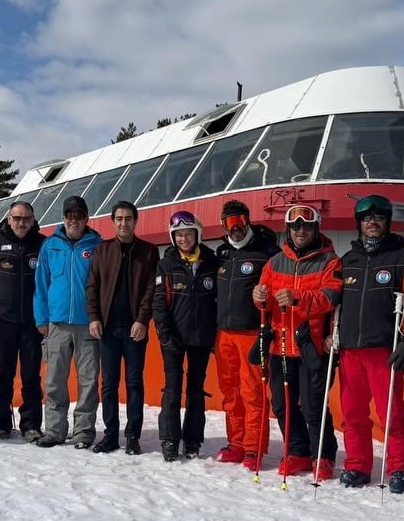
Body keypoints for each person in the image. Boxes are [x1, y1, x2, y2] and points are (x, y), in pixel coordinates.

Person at [336, 195, 404, 493]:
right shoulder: (347, 261)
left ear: (387, 222)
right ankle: (358, 465)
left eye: (378, 218)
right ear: (359, 223)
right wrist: (330, 335)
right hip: (350, 348)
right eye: (366, 218)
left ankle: (399, 467)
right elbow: (335, 305)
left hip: (384, 349)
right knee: (352, 412)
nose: (372, 222)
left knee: (392, 413)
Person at [252, 204, 342, 481]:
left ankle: (322, 455)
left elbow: (331, 296)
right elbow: (263, 301)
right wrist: (258, 297)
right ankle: (297, 450)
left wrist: (298, 297)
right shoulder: (275, 261)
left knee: (313, 406)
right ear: (288, 229)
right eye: (295, 226)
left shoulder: (330, 261)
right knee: (282, 404)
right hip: (279, 344)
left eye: (306, 225)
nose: (300, 230)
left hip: (311, 345)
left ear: (316, 228)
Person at [85, 200, 159, 454]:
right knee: (108, 384)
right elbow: (92, 285)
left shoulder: (148, 251)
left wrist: (142, 320)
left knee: (134, 383)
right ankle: (110, 435)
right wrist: (94, 317)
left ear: (135, 221)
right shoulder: (102, 250)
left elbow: (152, 288)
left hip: (134, 329)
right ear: (113, 221)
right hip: (107, 329)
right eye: (119, 219)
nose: (124, 223)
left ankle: (132, 435)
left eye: (129, 219)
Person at [213, 199, 280, 470]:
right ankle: (237, 443)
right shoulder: (222, 253)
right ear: (223, 225)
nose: (236, 227)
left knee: (253, 392)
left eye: (240, 221)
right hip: (224, 335)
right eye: (230, 222)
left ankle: (254, 447)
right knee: (230, 393)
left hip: (252, 333)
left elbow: (275, 294)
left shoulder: (266, 252)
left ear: (248, 220)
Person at [33, 195, 102, 448]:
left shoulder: (97, 244)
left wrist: (99, 317)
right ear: (63, 218)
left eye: (79, 216)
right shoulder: (50, 245)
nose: (74, 220)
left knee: (88, 379)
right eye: (69, 216)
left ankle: (84, 431)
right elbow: (41, 284)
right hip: (57, 323)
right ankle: (54, 430)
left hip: (87, 324)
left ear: (86, 219)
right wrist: (42, 318)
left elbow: (103, 285)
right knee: (54, 380)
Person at [152, 211, 219, 462]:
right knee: (172, 388)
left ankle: (192, 439)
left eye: (188, 234)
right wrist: (164, 334)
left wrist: (213, 334)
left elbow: (218, 300)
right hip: (174, 338)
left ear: (197, 235)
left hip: (201, 338)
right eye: (178, 235)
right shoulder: (166, 264)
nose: (183, 239)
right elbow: (159, 302)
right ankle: (169, 439)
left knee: (196, 390)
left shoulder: (211, 261)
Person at [0, 200, 46, 441]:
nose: (21, 223)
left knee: (31, 376)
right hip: (4, 322)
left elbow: (48, 283)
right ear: (8, 218)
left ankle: (30, 425)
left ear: (33, 220)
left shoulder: (42, 244)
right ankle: (0, 423)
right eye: (17, 218)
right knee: (3, 374)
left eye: (26, 218)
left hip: (33, 323)